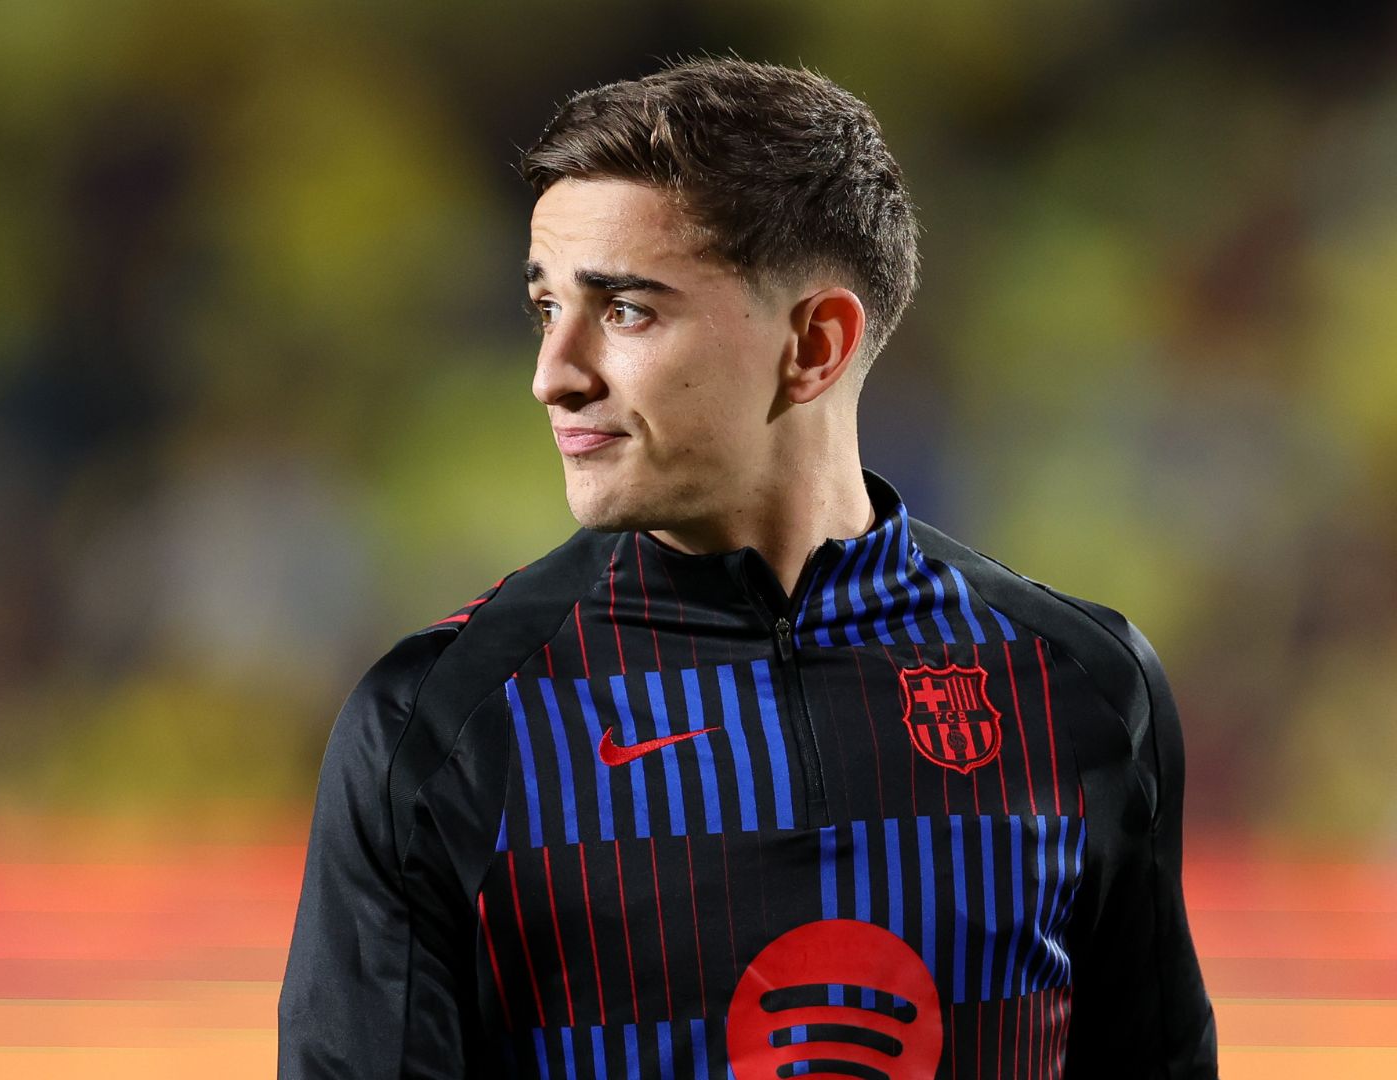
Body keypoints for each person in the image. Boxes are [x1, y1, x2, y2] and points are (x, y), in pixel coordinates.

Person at [278, 57, 1217, 1079]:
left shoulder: (1077, 685)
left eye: (625, 309)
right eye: (547, 307)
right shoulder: (442, 722)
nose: (554, 373)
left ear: (814, 345)